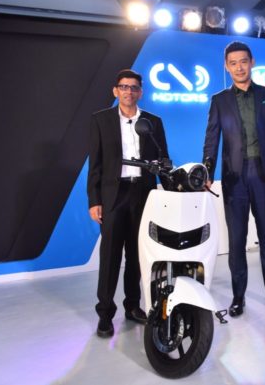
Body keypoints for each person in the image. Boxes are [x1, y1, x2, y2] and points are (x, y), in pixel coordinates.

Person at [203, 41, 265, 317]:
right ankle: (238, 297)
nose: (239, 67)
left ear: (252, 62)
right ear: (226, 67)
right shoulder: (219, 100)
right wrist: (207, 171)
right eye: (233, 63)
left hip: (264, 177)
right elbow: (212, 140)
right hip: (234, 178)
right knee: (237, 240)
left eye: (243, 61)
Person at [87, 69, 170, 337]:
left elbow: (163, 160)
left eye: (134, 87)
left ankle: (133, 307)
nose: (128, 92)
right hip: (113, 196)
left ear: (140, 92)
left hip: (143, 194)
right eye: (124, 87)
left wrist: (171, 194)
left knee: (137, 256)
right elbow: (95, 164)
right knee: (110, 256)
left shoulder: (153, 122)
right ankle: (105, 314)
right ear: (116, 91)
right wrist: (94, 200)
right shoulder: (101, 120)